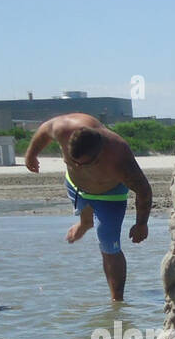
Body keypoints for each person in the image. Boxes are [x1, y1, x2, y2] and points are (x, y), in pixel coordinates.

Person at [23, 113, 153, 301]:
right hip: (75, 188)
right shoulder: (63, 128)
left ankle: (116, 300)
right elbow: (44, 130)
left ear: (100, 153)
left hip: (110, 195)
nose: (80, 166)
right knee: (85, 217)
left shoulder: (119, 155)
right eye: (74, 162)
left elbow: (144, 191)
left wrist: (141, 224)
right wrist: (31, 154)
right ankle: (85, 223)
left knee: (109, 245)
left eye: (86, 164)